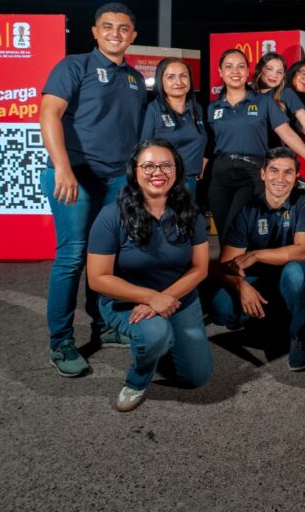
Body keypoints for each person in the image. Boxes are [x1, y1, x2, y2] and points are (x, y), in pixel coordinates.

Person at [39, 2, 146, 377]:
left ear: (133, 36)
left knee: (106, 259)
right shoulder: (74, 66)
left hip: (117, 181)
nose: (116, 33)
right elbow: (49, 113)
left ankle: (104, 326)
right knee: (72, 258)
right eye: (108, 26)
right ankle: (60, 342)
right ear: (95, 32)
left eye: (123, 28)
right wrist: (62, 168)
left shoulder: (135, 79)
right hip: (76, 175)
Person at [86, 139, 212, 412]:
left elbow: (200, 268)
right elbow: (97, 278)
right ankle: (138, 379)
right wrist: (150, 297)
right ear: (134, 171)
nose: (158, 172)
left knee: (197, 378)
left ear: (177, 170)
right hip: (127, 301)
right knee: (155, 333)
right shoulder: (111, 215)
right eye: (149, 166)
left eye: (166, 165)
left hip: (178, 298)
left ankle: (161, 345)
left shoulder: (189, 211)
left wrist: (162, 298)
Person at [206, 48, 305, 241]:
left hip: (254, 171)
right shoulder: (213, 107)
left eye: (240, 66)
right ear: (220, 71)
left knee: (236, 232)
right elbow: (208, 143)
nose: (235, 71)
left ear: (247, 71)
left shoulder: (266, 101)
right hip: (221, 173)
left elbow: (292, 131)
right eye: (229, 66)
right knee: (225, 236)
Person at [210, 147, 305, 371]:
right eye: (274, 170)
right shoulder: (248, 210)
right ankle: (275, 319)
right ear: (263, 173)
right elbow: (225, 265)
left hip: (295, 280)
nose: (280, 178)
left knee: (295, 272)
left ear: (297, 177)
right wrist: (241, 286)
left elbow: (303, 251)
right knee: (221, 308)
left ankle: (301, 333)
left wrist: (256, 254)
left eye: (288, 172)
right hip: (261, 281)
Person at [141, 57, 207, 199]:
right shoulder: (153, 110)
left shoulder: (197, 109)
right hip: (163, 184)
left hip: (191, 182)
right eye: (170, 77)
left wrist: (203, 158)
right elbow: (143, 150)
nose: (178, 82)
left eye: (183, 76)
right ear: (161, 81)